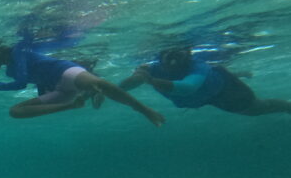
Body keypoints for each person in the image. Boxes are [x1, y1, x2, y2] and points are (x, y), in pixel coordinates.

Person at [0, 38, 165, 127]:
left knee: (101, 84)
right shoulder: (10, 70)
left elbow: (21, 82)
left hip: (64, 71)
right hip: (59, 89)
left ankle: (144, 109)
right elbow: (26, 83)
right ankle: (73, 104)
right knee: (15, 111)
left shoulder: (18, 50)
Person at [119, 47, 291, 116]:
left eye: (180, 57)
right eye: (169, 57)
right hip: (206, 96)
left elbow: (187, 88)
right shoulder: (151, 68)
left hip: (224, 89)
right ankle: (239, 73)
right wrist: (110, 89)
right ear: (161, 57)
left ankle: (288, 106)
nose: (174, 62)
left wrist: (150, 80)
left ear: (187, 57)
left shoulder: (197, 66)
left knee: (255, 108)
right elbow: (134, 81)